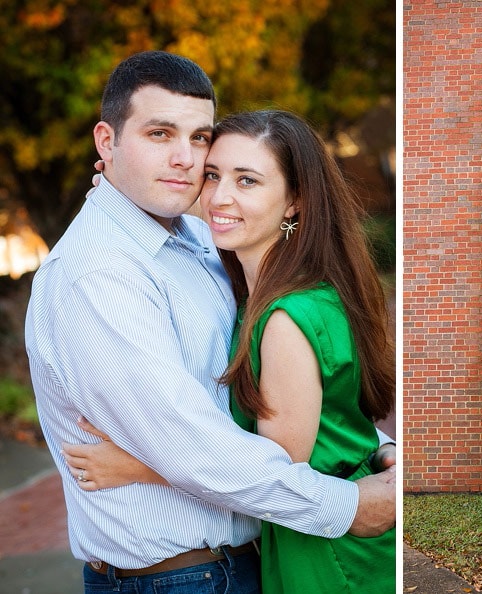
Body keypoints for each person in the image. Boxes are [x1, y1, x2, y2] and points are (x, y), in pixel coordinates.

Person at [25, 51, 395, 594]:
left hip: (248, 558)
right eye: (159, 133)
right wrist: (348, 505)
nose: (185, 159)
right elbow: (190, 446)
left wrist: (377, 451)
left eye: (199, 138)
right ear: (107, 142)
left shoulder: (198, 242)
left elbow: (263, 413)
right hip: (176, 578)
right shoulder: (94, 274)